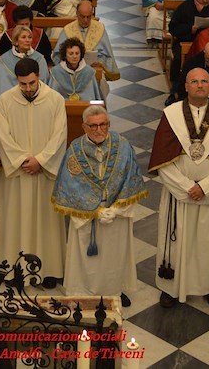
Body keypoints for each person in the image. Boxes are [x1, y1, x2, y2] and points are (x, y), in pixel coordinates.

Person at [149, 67, 209, 309]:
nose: (200, 85)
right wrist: (187, 187)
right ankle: (170, 287)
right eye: (194, 81)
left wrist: (205, 187)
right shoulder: (171, 115)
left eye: (204, 81)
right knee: (175, 241)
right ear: (186, 86)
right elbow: (162, 161)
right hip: (178, 194)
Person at [52, 105, 147, 301]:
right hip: (86, 217)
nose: (98, 130)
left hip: (115, 216)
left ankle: (114, 291)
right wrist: (94, 211)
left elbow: (132, 181)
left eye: (103, 125)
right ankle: (83, 291)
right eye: (93, 126)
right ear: (84, 127)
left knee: (114, 257)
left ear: (109, 124)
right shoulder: (75, 150)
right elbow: (69, 186)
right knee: (87, 261)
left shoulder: (123, 146)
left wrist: (116, 210)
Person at [0, 58, 67, 288]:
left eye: (32, 83)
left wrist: (41, 161)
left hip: (44, 174)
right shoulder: (5, 101)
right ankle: (15, 270)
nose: (27, 88)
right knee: (16, 219)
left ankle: (49, 271)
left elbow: (59, 135)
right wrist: (23, 161)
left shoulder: (55, 100)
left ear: (40, 76)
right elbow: (2, 136)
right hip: (18, 175)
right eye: (23, 84)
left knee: (46, 222)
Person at [167, 0, 209, 105]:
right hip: (188, 40)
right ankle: (175, 91)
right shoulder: (185, 7)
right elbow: (173, 27)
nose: (205, 0)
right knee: (179, 59)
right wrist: (190, 29)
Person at [52, 0, 121, 82]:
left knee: (101, 81)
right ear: (77, 14)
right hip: (71, 70)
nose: (85, 20)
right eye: (82, 16)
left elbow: (107, 56)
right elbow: (58, 55)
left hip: (94, 70)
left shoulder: (100, 28)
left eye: (88, 17)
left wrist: (100, 62)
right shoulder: (68, 29)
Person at [0, 25, 49, 98]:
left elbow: (44, 85)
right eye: (23, 37)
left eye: (29, 37)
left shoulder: (40, 59)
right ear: (16, 41)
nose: (27, 40)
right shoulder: (4, 60)